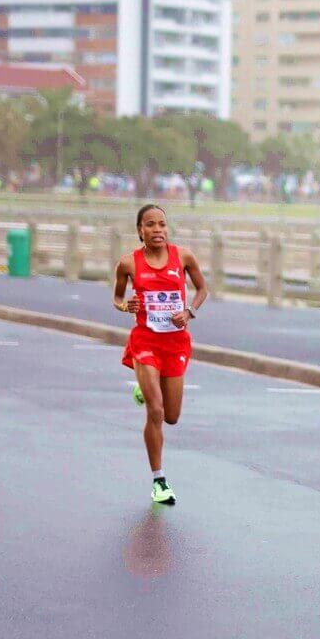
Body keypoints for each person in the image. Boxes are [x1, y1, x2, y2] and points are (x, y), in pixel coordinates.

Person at [113, 204, 208, 505]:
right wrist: (125, 305)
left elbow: (203, 289)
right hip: (145, 342)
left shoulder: (184, 257)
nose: (157, 230)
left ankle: (146, 387)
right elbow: (117, 297)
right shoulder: (129, 263)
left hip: (175, 343)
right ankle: (159, 481)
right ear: (140, 230)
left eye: (162, 224)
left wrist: (189, 311)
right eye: (150, 225)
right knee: (155, 411)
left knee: (171, 416)